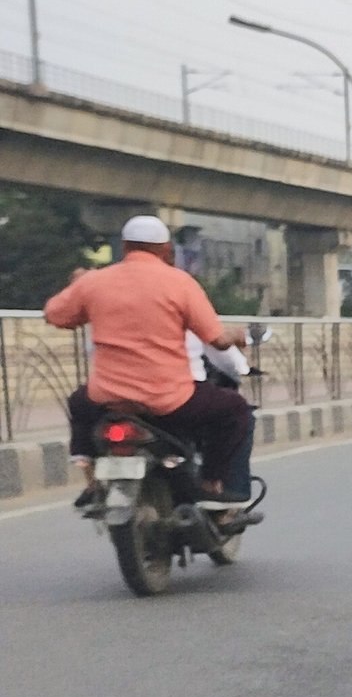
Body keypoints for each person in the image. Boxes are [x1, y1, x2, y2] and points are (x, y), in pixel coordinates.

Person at [44, 215, 255, 509]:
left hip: (107, 398)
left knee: (78, 403)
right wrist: (239, 336)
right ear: (166, 250)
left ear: (126, 247)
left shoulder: (95, 282)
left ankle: (92, 482)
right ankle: (211, 484)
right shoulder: (180, 283)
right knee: (236, 410)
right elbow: (217, 339)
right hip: (170, 401)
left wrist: (83, 297)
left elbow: (55, 315)